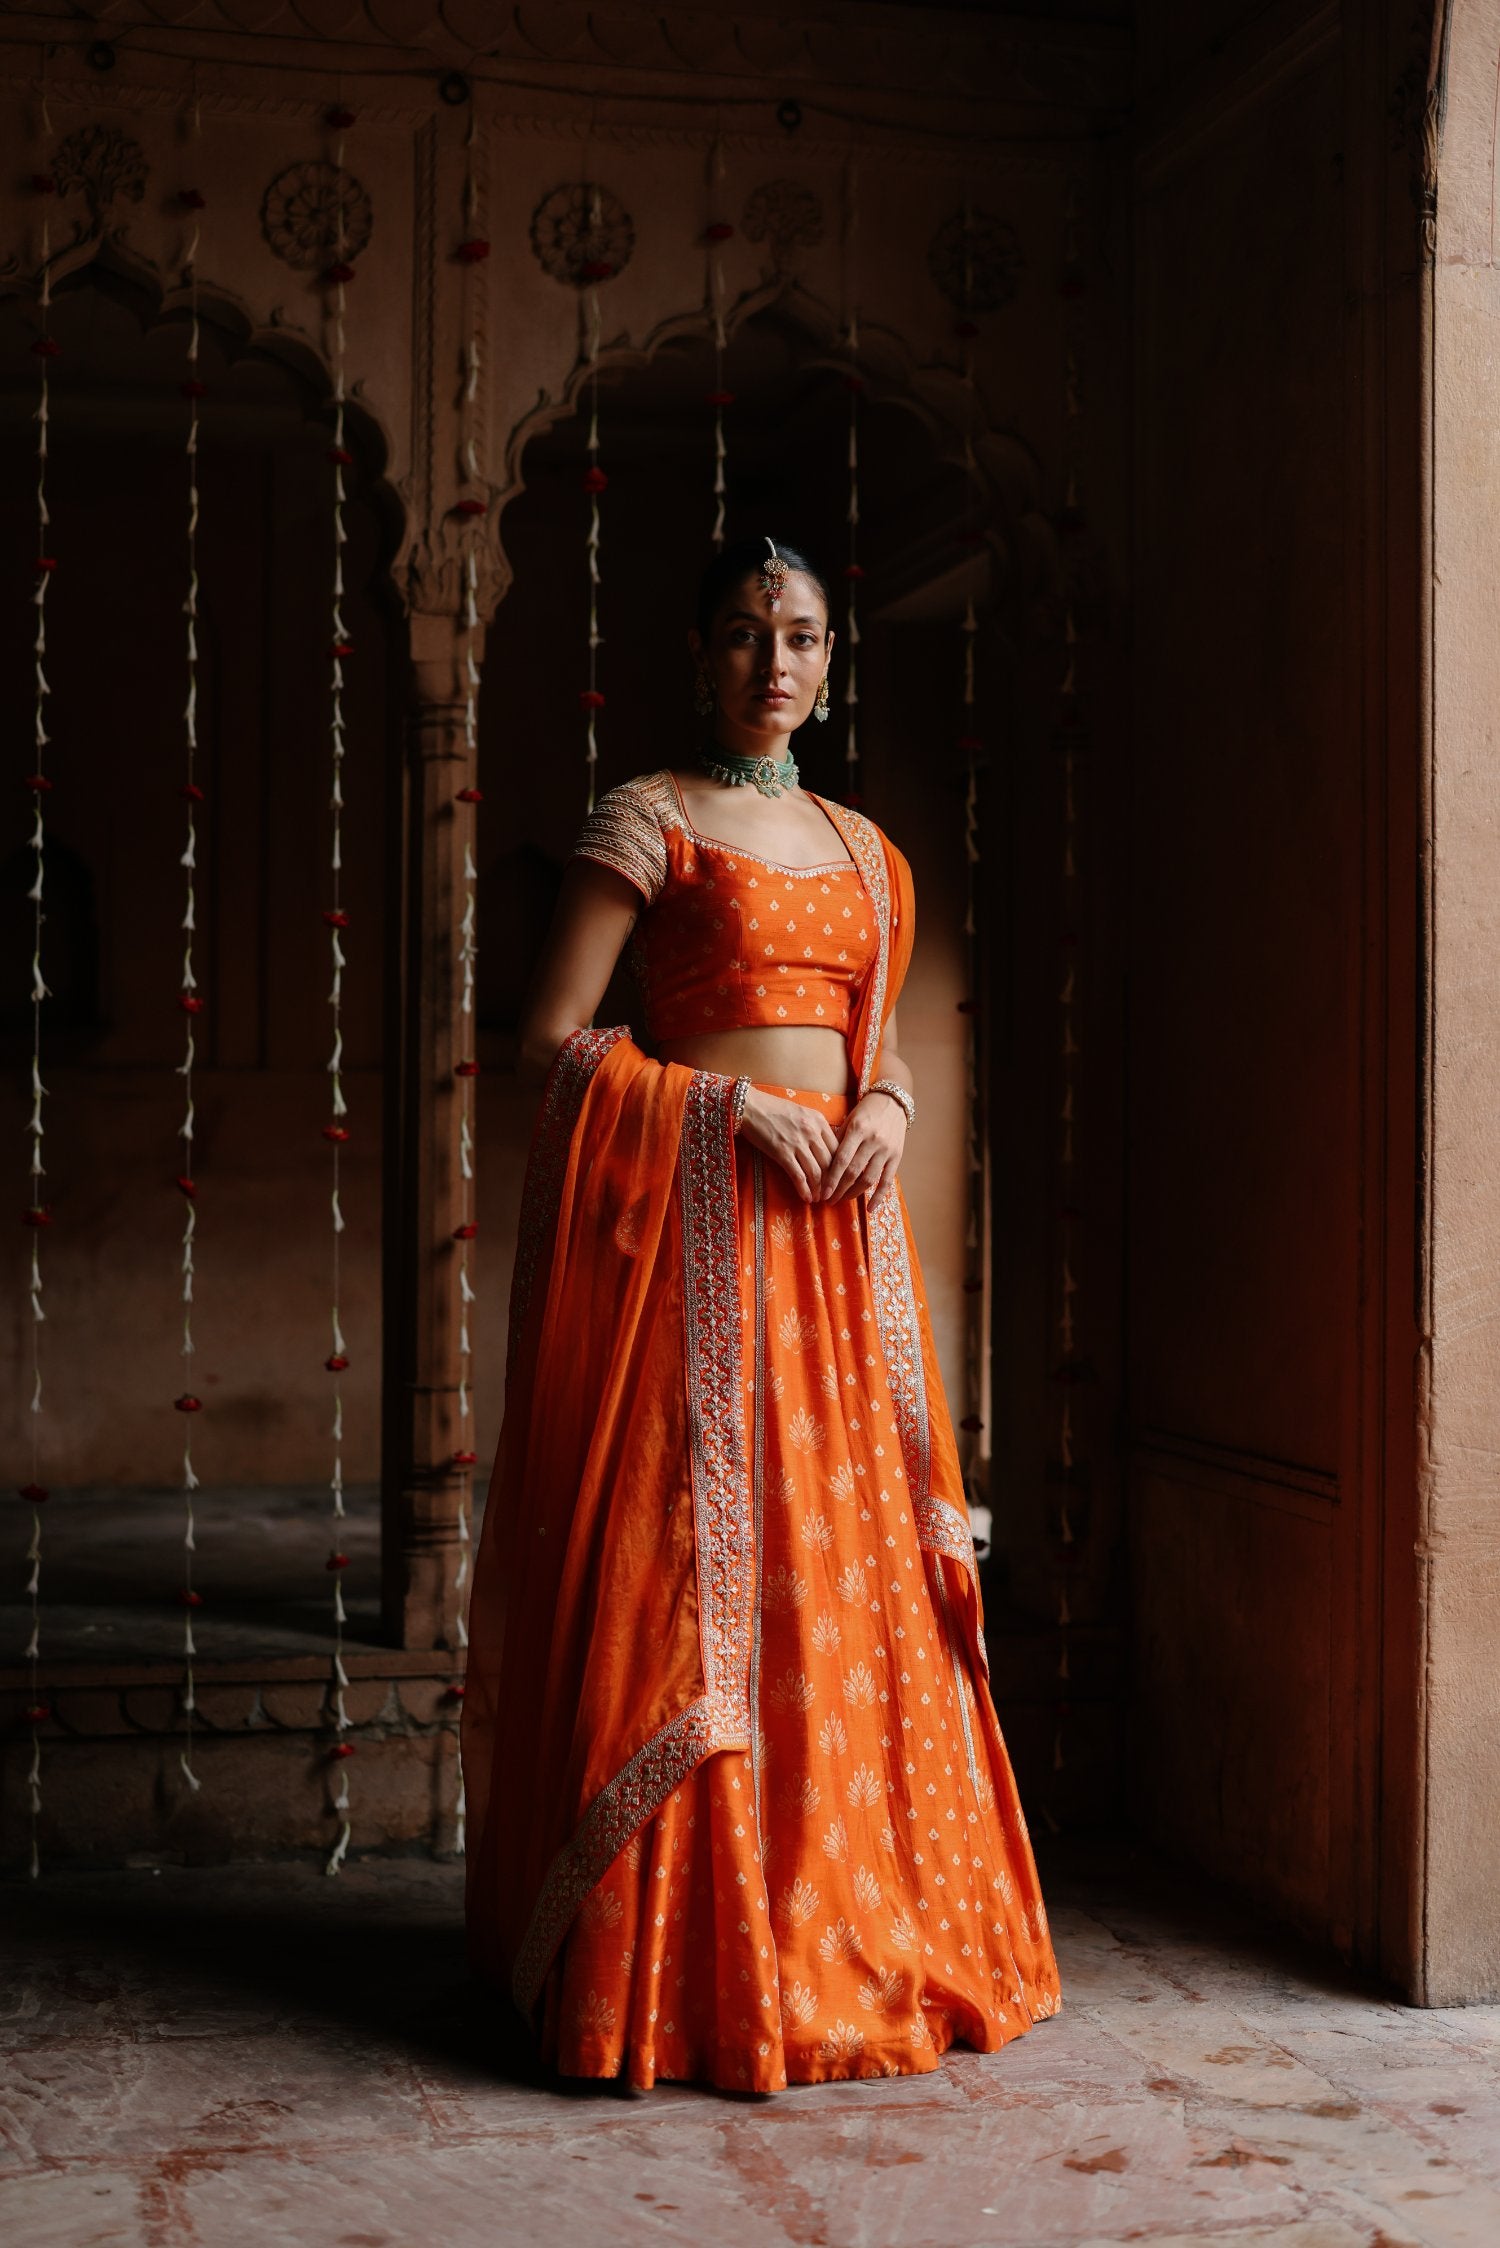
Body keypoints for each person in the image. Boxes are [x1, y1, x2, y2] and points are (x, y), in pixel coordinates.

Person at [461, 535, 1061, 2093]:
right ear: (697, 653)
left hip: (841, 1266)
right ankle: (677, 1977)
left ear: (830, 661)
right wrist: (721, 1110)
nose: (771, 662)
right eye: (740, 634)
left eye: (796, 636)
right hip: (702, 1257)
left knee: (848, 1589)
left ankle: (841, 1937)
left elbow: (888, 1045)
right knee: (697, 1589)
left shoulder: (869, 853)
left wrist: (894, 1108)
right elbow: (549, 1040)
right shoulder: (645, 822)